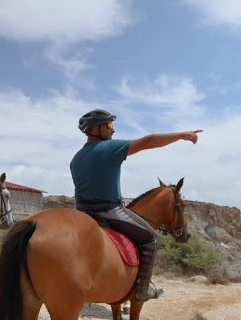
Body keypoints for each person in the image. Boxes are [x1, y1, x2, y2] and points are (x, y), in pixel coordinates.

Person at [70, 109, 201, 302]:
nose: (113, 131)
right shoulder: (109, 149)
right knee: (151, 238)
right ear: (96, 129)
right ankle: (141, 290)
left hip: (81, 213)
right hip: (108, 211)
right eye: (110, 125)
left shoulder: (76, 159)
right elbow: (147, 142)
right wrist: (180, 135)